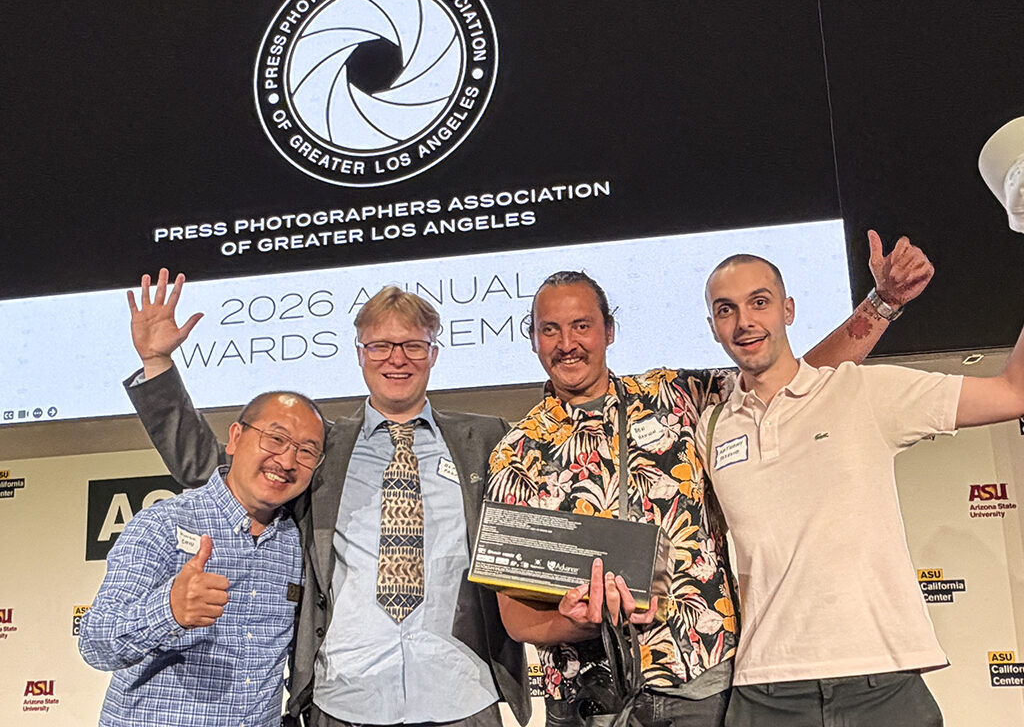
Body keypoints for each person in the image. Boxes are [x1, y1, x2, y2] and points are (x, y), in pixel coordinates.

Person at [484, 232, 934, 726]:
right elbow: (517, 617)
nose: (567, 344)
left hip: (702, 685)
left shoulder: (678, 395)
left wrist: (882, 304)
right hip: (588, 701)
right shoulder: (515, 453)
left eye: (581, 326)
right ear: (531, 338)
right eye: (550, 330)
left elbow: (800, 383)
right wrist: (573, 622)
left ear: (609, 331)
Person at [123, 272, 530, 727]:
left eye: (413, 345)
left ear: (433, 352)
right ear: (360, 354)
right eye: (380, 346)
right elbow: (209, 466)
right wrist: (158, 364)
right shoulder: (322, 448)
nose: (397, 359)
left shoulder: (487, 439)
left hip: (461, 692)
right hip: (344, 697)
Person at [697, 249, 1024, 727]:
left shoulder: (862, 392)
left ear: (788, 309)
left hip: (882, 683)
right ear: (713, 326)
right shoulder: (710, 427)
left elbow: (1012, 393)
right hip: (764, 689)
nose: (744, 321)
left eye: (759, 302)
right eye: (726, 309)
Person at [79, 389, 326, 727]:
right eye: (275, 439)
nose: (286, 461)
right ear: (236, 438)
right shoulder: (164, 523)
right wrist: (168, 611)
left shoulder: (297, 543)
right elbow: (96, 641)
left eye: (306, 451)